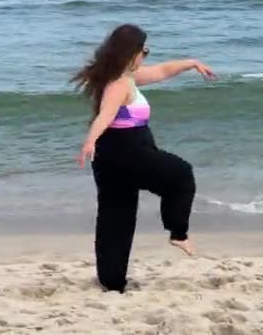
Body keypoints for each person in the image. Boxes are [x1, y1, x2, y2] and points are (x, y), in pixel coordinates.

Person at [71, 24, 216, 293]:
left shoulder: (124, 77)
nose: (146, 56)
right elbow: (105, 114)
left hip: (110, 156)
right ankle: (178, 233)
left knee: (116, 217)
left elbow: (162, 71)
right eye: (145, 50)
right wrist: (89, 140)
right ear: (132, 52)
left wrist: (191, 63)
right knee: (181, 174)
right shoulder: (118, 84)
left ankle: (111, 281)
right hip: (127, 152)